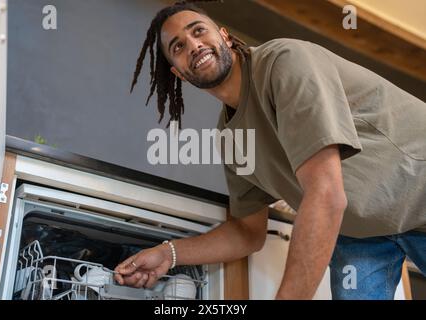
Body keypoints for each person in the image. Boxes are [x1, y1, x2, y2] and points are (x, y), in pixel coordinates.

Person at [115, 1, 426, 300]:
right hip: (362, 234)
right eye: (178, 47)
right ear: (179, 73)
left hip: (416, 193)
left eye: (198, 31)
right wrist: (168, 253)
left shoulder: (284, 62)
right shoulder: (230, 138)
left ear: (223, 35)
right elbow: (247, 232)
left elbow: (326, 194)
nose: (194, 45)